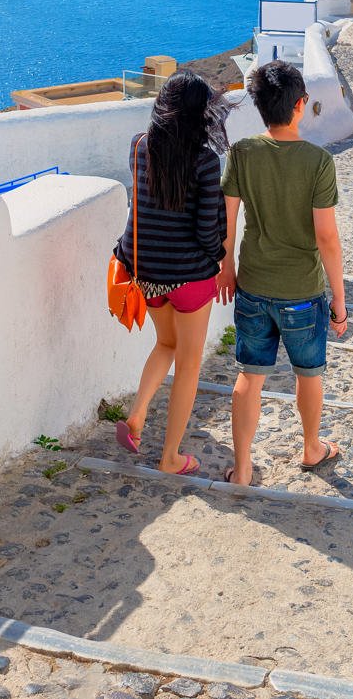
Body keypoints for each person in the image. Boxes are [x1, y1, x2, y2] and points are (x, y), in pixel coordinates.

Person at [218, 59, 347, 486]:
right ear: (300, 104)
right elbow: (326, 237)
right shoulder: (317, 161)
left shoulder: (242, 153)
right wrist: (340, 302)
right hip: (303, 292)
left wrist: (227, 269)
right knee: (308, 374)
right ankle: (312, 448)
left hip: (253, 284)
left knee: (249, 375)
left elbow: (228, 221)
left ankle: (242, 468)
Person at [112, 72, 226, 476]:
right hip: (190, 277)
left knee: (166, 344)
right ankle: (171, 456)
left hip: (147, 273)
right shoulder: (206, 161)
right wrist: (219, 259)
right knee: (190, 365)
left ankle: (137, 416)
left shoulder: (139, 146)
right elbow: (205, 232)